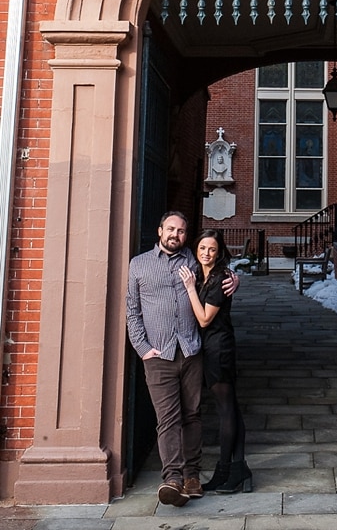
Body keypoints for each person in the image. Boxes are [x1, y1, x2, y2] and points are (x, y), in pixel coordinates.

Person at [125, 211, 206, 506]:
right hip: (158, 355)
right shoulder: (139, 265)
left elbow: (216, 284)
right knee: (168, 418)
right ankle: (172, 478)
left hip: (191, 351)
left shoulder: (194, 263)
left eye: (182, 231)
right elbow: (132, 311)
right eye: (171, 229)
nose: (176, 235)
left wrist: (232, 281)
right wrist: (143, 348)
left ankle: (192, 475)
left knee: (192, 414)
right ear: (160, 231)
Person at [178, 229, 251, 494]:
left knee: (225, 410)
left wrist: (188, 289)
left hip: (218, 349)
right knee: (231, 408)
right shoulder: (202, 273)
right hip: (209, 348)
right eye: (202, 248)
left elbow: (205, 319)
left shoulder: (220, 278)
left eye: (212, 249)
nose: (206, 253)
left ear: (219, 253)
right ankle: (239, 469)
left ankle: (224, 471)